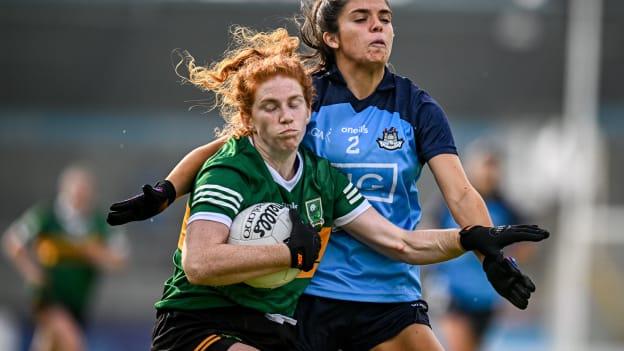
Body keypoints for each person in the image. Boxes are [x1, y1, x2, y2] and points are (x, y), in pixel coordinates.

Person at [107, 1, 547, 350]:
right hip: (310, 294)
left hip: (390, 293)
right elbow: (228, 149)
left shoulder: (417, 107)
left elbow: (458, 195)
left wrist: (489, 252)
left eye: (386, 18)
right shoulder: (303, 98)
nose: (379, 27)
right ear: (331, 36)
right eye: (363, 18)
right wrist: (167, 190)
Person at [2, 165, 128, 351]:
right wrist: (31, 272)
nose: (81, 196)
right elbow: (12, 241)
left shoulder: (99, 223)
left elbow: (121, 259)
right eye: (77, 191)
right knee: (73, 344)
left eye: (85, 191)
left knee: (49, 345)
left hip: (78, 303)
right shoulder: (46, 216)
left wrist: (98, 254)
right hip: (49, 298)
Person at [429, 143, 534, 351]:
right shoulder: (451, 201)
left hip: (486, 295)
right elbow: (428, 231)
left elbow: (527, 243)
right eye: (485, 165)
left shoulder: (507, 208)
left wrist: (508, 265)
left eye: (494, 166)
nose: (489, 173)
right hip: (453, 291)